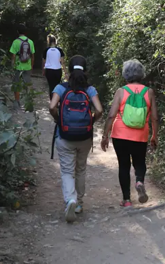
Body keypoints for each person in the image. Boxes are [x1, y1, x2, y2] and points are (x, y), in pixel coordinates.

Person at [49, 55, 103, 222]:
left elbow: (52, 106)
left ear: (69, 70)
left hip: (65, 136)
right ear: (85, 70)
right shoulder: (90, 89)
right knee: (80, 169)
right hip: (85, 137)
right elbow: (100, 110)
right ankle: (78, 203)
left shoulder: (61, 88)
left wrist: (59, 120)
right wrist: (91, 122)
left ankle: (70, 200)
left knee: (67, 170)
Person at [100, 59, 159, 207]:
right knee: (139, 162)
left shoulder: (121, 91)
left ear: (125, 74)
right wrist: (154, 136)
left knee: (124, 166)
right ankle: (139, 181)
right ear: (141, 74)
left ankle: (127, 200)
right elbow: (154, 117)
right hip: (141, 134)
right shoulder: (149, 92)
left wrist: (105, 135)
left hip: (120, 135)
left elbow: (111, 115)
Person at [9, 24, 35, 110]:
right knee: (27, 84)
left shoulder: (15, 42)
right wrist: (31, 66)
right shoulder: (30, 42)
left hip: (18, 67)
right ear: (26, 32)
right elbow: (32, 56)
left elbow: (13, 56)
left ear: (17, 32)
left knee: (17, 84)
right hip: (27, 67)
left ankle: (17, 102)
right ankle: (28, 103)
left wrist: (12, 66)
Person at [43, 35, 65, 99]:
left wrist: (43, 70)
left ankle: (52, 101)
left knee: (51, 86)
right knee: (57, 86)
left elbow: (44, 62)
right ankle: (57, 100)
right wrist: (65, 72)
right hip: (58, 70)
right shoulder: (60, 50)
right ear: (55, 41)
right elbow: (62, 62)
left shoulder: (46, 50)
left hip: (49, 70)